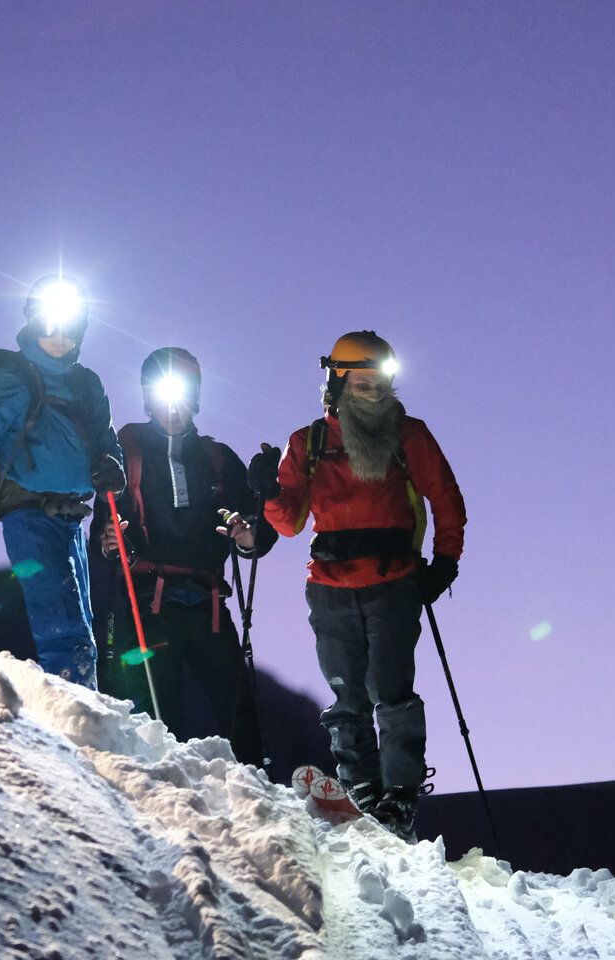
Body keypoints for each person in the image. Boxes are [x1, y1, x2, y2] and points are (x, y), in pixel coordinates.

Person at [250, 330, 466, 841]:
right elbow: (288, 523)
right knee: (347, 694)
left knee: (389, 692)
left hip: (393, 583)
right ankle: (363, 792)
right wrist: (265, 492)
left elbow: (446, 499)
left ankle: (399, 799)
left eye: (380, 383)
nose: (372, 392)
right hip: (329, 587)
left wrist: (445, 564)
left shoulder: (409, 435)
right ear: (338, 382)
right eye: (362, 382)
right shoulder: (309, 443)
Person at [91, 347, 277, 765]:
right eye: (162, 394)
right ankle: (158, 799)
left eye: (181, 393)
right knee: (156, 718)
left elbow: (258, 528)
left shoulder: (219, 458)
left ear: (195, 397)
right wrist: (107, 543)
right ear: (147, 398)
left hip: (208, 603)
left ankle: (253, 796)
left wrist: (248, 536)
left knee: (238, 712)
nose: (172, 405)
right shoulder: (127, 446)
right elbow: (105, 521)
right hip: (146, 604)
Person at [0, 276, 125, 688]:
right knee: (64, 629)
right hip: (27, 515)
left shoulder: (87, 383)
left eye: (70, 326)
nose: (59, 336)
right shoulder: (11, 376)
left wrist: (110, 467)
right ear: (32, 321)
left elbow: (106, 441)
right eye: (49, 324)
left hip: (72, 518)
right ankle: (77, 722)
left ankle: (82, 714)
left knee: (81, 627)